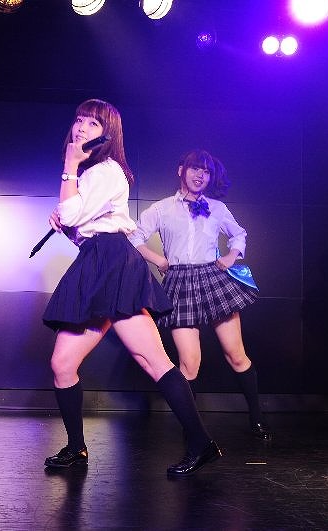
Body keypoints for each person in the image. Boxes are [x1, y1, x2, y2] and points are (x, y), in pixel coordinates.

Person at [42, 99, 221, 476]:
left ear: (107, 134)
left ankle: (201, 443)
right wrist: (69, 227)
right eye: (79, 120)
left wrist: (69, 167)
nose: (81, 127)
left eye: (93, 124)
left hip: (113, 264)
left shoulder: (105, 171)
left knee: (154, 361)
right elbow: (84, 229)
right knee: (63, 364)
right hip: (98, 259)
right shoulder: (93, 173)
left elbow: (74, 213)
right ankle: (76, 447)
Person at [129, 150, 271, 440]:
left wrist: (231, 255)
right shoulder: (161, 208)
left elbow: (239, 234)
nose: (200, 175)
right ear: (181, 170)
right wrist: (158, 260)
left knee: (236, 355)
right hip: (180, 281)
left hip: (212, 279)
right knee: (189, 364)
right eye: (195, 169)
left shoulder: (217, 207)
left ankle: (257, 420)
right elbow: (134, 237)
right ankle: (192, 430)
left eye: (206, 172)